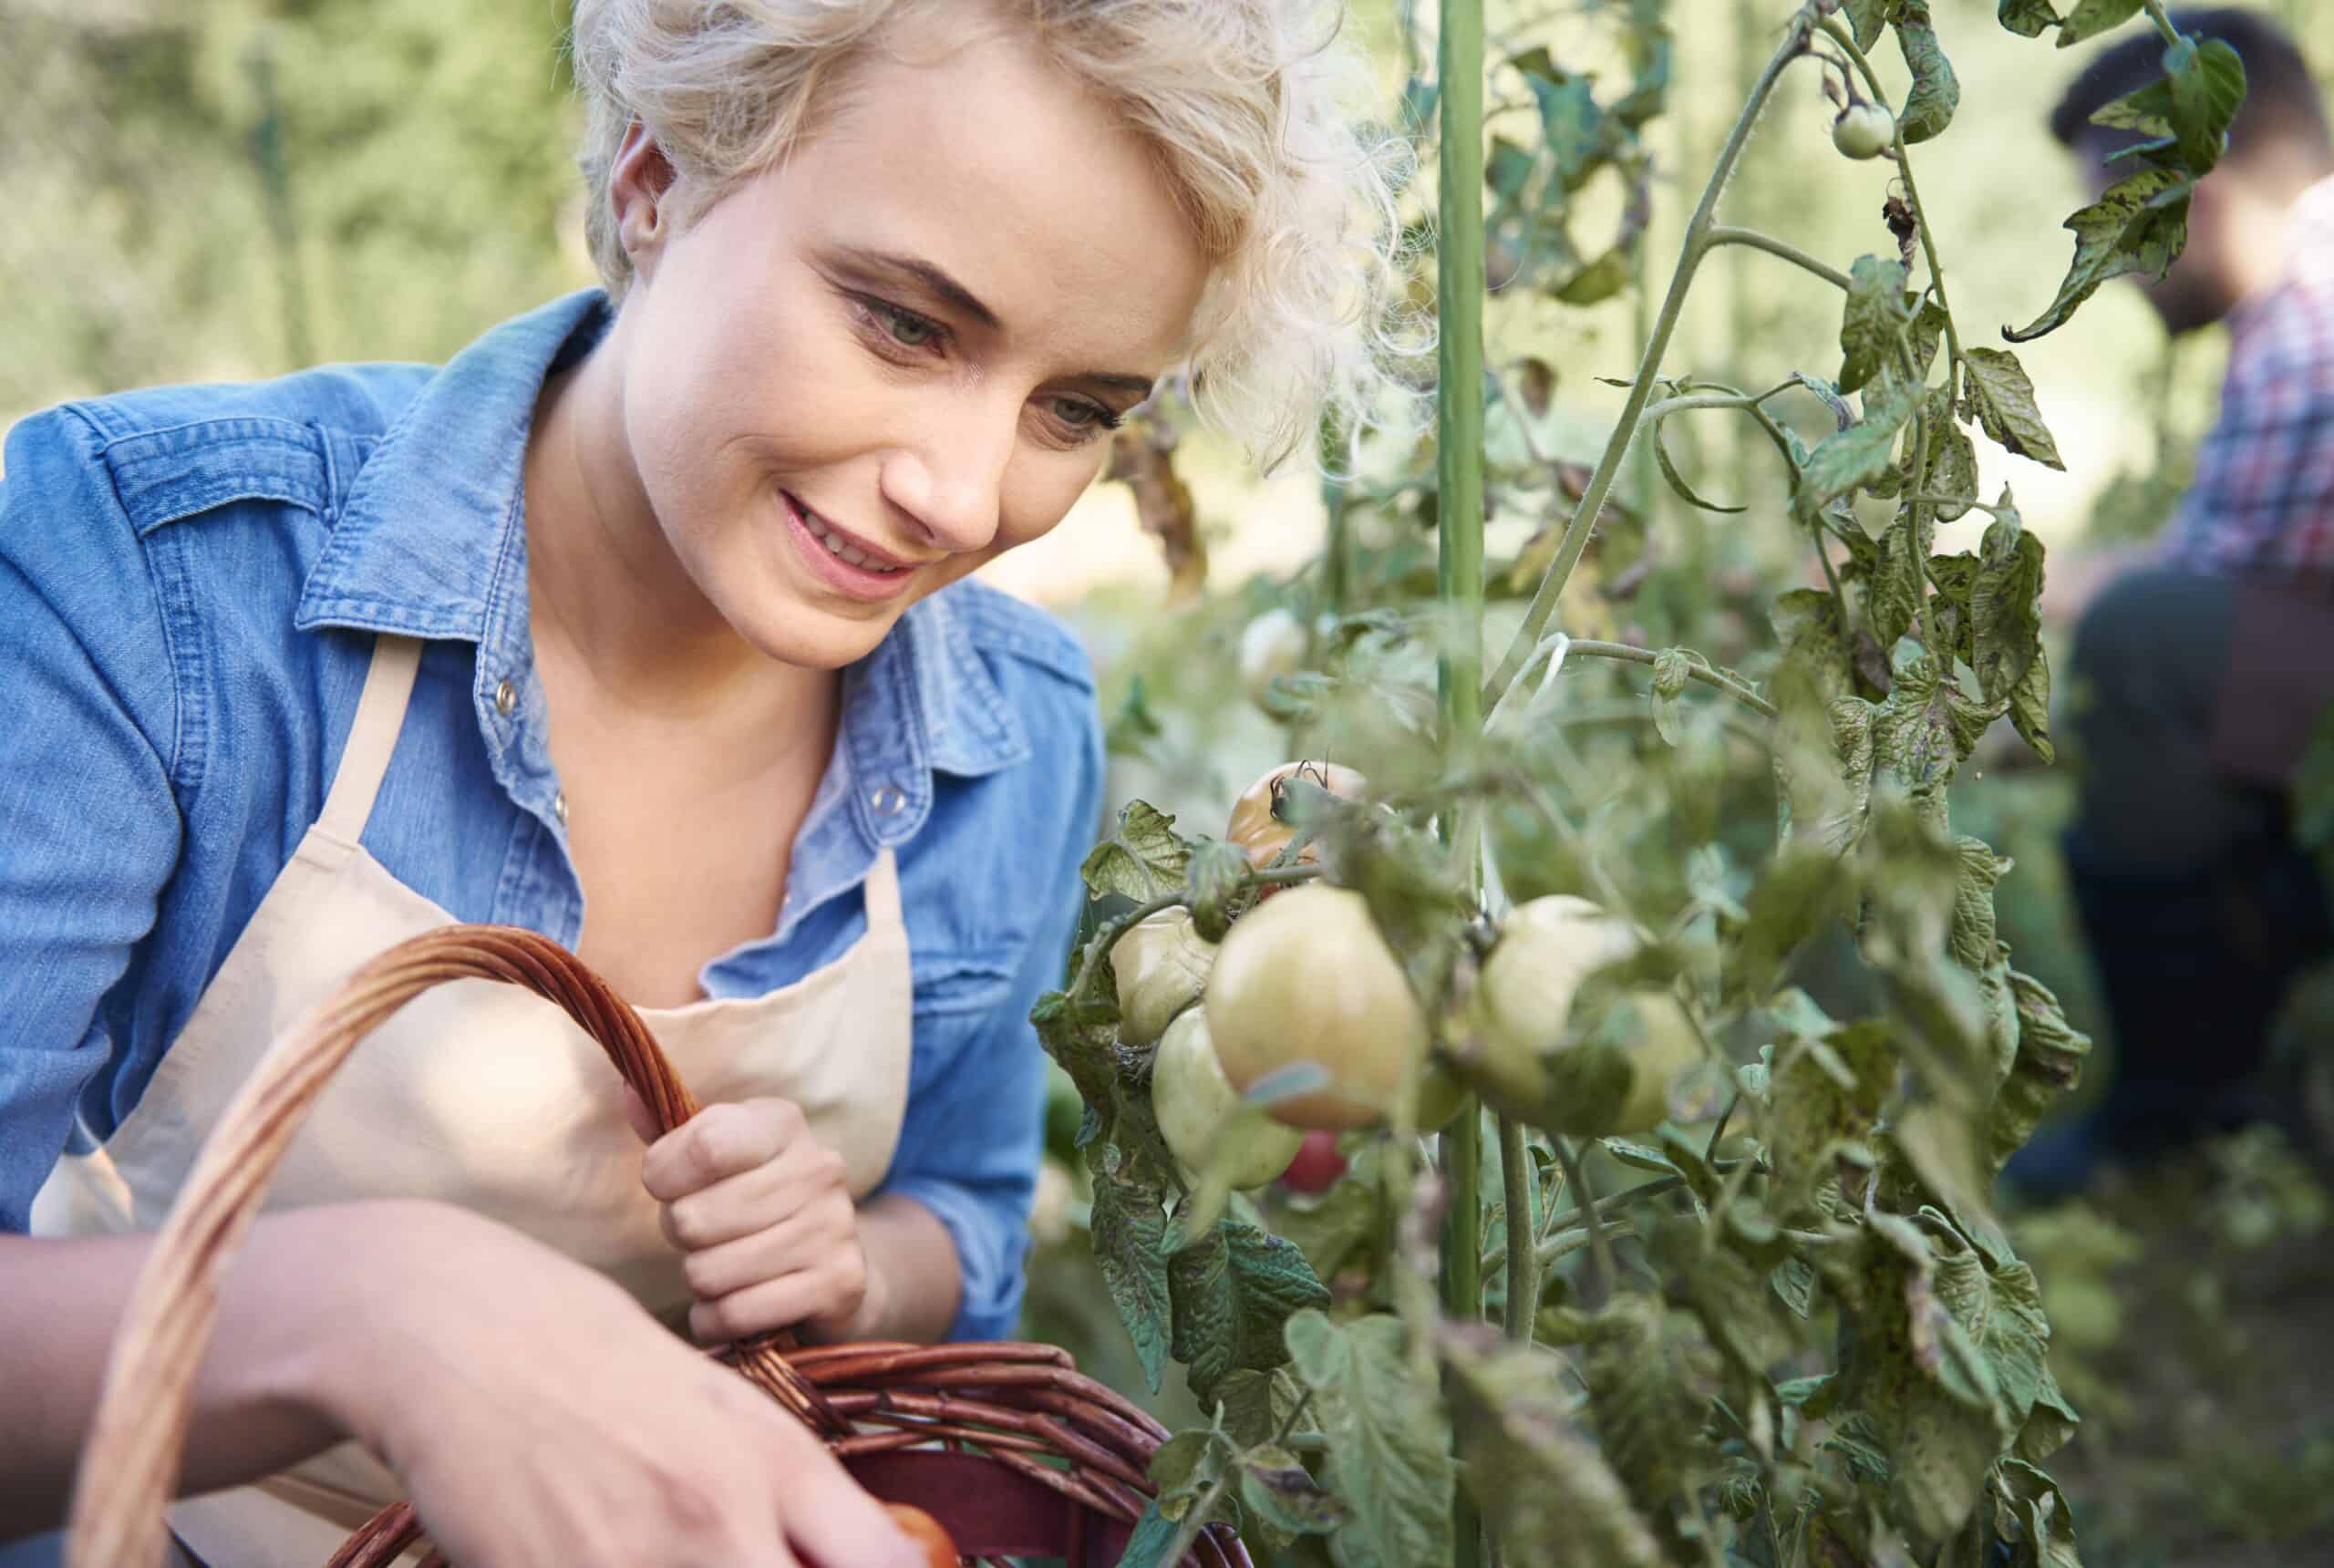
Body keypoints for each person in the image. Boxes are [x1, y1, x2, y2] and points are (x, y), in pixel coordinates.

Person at [0, 3, 1406, 1563]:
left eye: (1076, 409)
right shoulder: (151, 583)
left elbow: (966, 1211)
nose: (960, 493)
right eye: (902, 322)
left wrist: (857, 1268)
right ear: (656, 178)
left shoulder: (1010, 734)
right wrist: (375, 1310)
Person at [2017, 7, 2334, 1195]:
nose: (2103, 268)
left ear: (2186, 198)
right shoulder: (2296, 303)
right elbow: (2235, 560)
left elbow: (2189, 608)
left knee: (2145, 647)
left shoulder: (2315, 320)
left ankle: (2182, 1107)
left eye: (2107, 225)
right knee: (2160, 641)